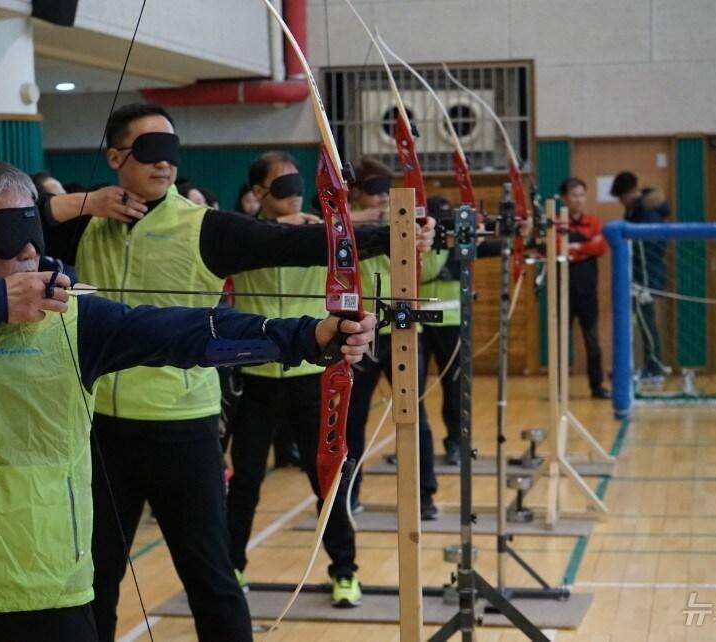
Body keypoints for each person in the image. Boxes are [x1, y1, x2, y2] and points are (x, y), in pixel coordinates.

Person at [0, 158, 375, 642]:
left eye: (33, 232)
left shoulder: (79, 323)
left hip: (51, 592)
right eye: (8, 237)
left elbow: (188, 333)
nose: (30, 252)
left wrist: (307, 336)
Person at [37, 103, 434, 641]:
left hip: (183, 425)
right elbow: (12, 230)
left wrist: (393, 233)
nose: (164, 164)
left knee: (211, 577)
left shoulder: (203, 226)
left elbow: (291, 243)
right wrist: (84, 202)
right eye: (149, 152)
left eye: (172, 152)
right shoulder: (84, 226)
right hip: (99, 428)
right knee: (95, 575)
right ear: (114, 157)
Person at [226, 151, 360, 607]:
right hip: (257, 375)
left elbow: (361, 233)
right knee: (245, 480)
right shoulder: (240, 236)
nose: (295, 193)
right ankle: (232, 569)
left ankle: (345, 571)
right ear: (259, 193)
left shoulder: (321, 234)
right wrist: (270, 233)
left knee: (325, 477)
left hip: (312, 375)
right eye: (281, 186)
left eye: (299, 184)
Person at [344, 157, 439, 520]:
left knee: (414, 415)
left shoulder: (401, 224)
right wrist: (368, 221)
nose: (383, 200)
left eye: (387, 192)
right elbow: (326, 229)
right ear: (355, 194)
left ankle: (425, 495)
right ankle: (349, 495)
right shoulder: (343, 226)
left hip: (400, 331)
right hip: (360, 334)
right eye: (373, 193)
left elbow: (425, 272)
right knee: (352, 418)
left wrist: (422, 239)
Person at [609, 171, 670, 381]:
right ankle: (643, 366)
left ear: (630, 193)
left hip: (645, 279)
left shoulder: (646, 213)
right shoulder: (635, 211)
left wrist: (643, 282)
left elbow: (653, 247)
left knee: (647, 323)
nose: (620, 202)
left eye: (621, 197)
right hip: (637, 277)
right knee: (641, 323)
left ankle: (654, 369)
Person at [560, 177, 610, 398]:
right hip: (563, 292)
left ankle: (597, 386)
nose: (578, 200)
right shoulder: (558, 223)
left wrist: (575, 247)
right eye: (574, 195)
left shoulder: (595, 222)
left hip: (587, 293)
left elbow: (600, 247)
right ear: (565, 198)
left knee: (593, 342)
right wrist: (584, 248)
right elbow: (555, 249)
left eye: (582, 195)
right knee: (561, 341)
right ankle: (559, 388)